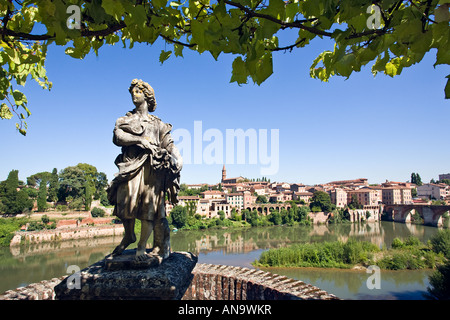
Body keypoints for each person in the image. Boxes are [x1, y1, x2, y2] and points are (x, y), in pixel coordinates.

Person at [107, 79, 182, 262]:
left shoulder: (158, 124)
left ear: (147, 96)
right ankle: (129, 235)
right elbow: (117, 136)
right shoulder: (125, 119)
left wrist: (177, 157)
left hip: (153, 169)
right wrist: (139, 140)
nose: (134, 94)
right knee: (125, 203)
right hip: (131, 167)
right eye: (132, 92)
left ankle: (141, 247)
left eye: (138, 92)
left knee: (149, 208)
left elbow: (169, 144)